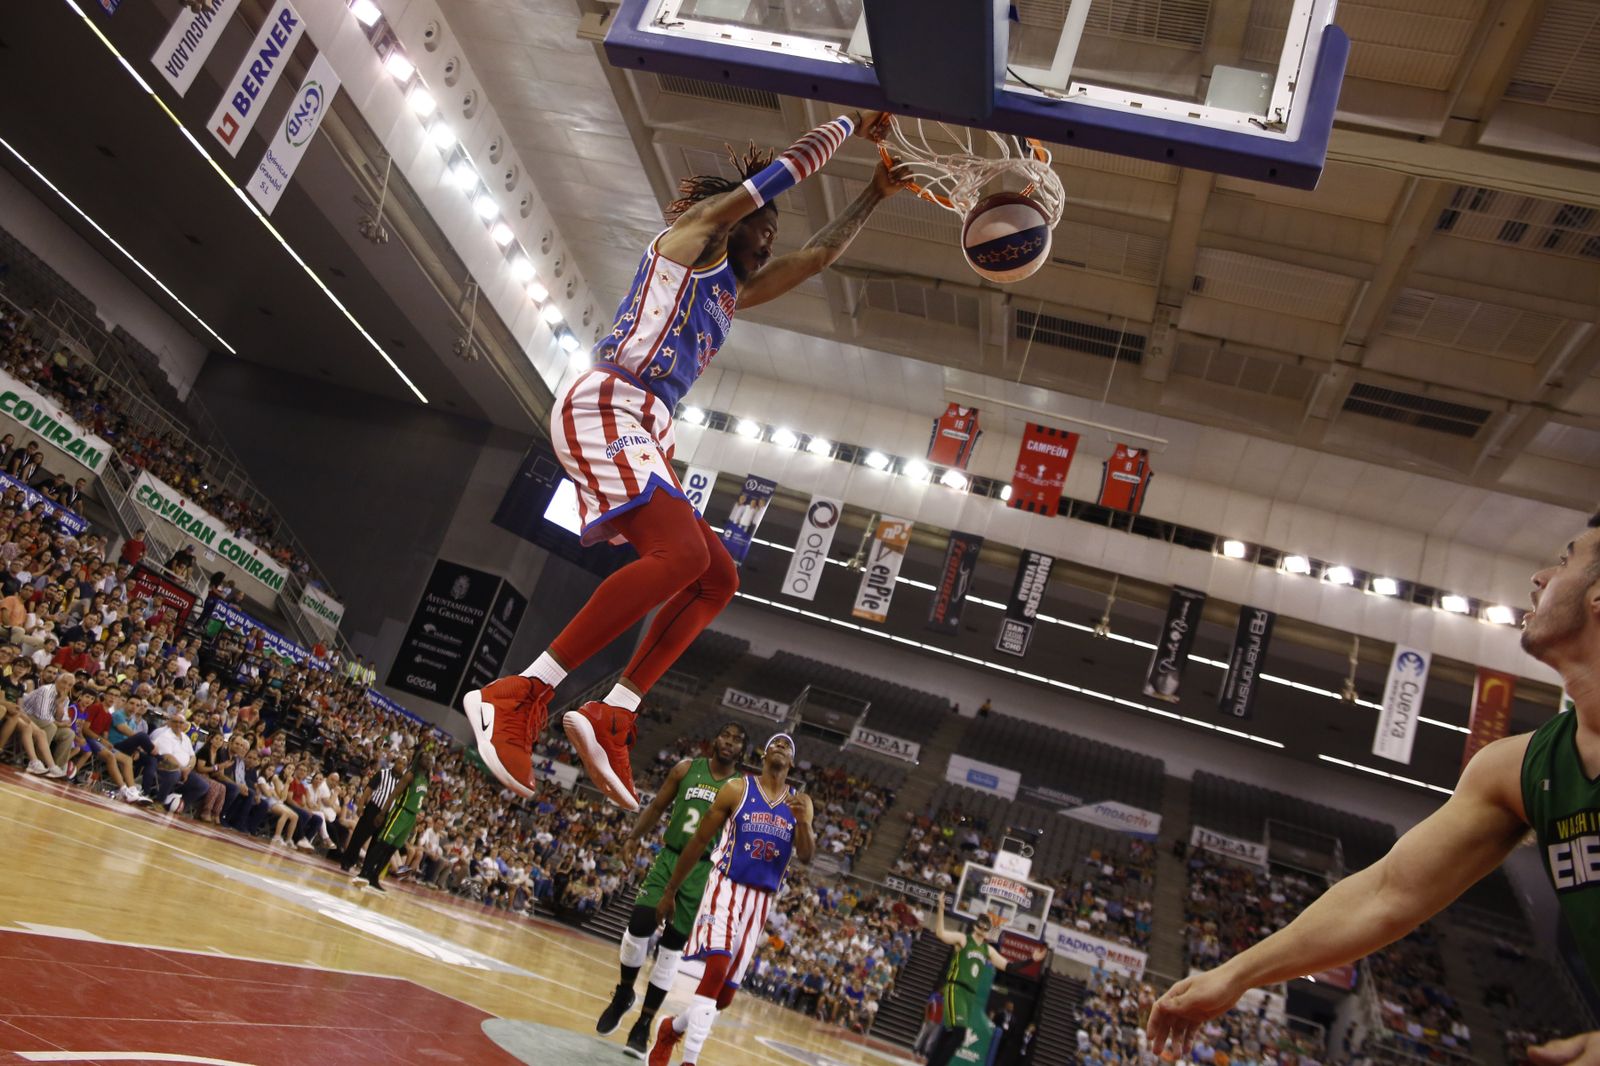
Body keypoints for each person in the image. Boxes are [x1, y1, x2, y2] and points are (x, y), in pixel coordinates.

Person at [465, 110, 909, 812]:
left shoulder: (733, 292)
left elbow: (819, 257)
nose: (764, 251)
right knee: (678, 558)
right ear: (734, 221)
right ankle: (520, 693)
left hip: (649, 425)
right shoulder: (691, 241)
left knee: (715, 577)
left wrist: (877, 193)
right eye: (760, 235)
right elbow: (777, 177)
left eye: (768, 244)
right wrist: (851, 123)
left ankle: (614, 711)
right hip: (610, 401)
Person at [1148, 512, 1600, 1066]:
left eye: (1564, 560)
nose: (1538, 576)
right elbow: (1387, 892)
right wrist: (1235, 975)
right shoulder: (1515, 769)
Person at [648, 733, 814, 1066]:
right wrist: (671, 890)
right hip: (725, 885)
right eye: (776, 743)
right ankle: (689, 1062)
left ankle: (672, 1028)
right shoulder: (738, 789)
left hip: (761, 900)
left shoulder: (801, 802)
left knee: (723, 997)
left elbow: (808, 856)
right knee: (716, 970)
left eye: (788, 747)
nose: (781, 747)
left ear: (792, 762)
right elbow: (699, 840)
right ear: (765, 753)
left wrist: (805, 825)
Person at [596, 721, 747, 1055]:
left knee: (671, 950)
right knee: (638, 926)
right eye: (726, 735)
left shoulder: (741, 789)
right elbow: (656, 807)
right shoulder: (685, 769)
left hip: (703, 873)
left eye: (738, 741)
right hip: (670, 858)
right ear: (715, 739)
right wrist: (634, 836)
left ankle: (644, 1024)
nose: (730, 742)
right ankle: (624, 993)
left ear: (742, 751)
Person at [927, 896, 1045, 1066]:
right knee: (959, 1034)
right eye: (979, 926)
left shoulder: (987, 950)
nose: (982, 929)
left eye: (985, 927)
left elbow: (1008, 966)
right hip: (956, 989)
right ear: (975, 926)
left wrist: (1031, 959)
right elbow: (940, 933)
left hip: (970, 995)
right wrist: (940, 910)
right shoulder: (963, 939)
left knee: (950, 1034)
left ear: (988, 930)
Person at [357, 750, 431, 892]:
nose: (429, 761)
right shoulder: (410, 775)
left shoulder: (426, 779)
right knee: (383, 844)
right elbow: (394, 794)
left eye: (430, 759)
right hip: (400, 812)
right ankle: (363, 873)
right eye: (426, 759)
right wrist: (382, 813)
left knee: (391, 849)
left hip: (411, 817)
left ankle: (374, 877)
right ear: (419, 760)